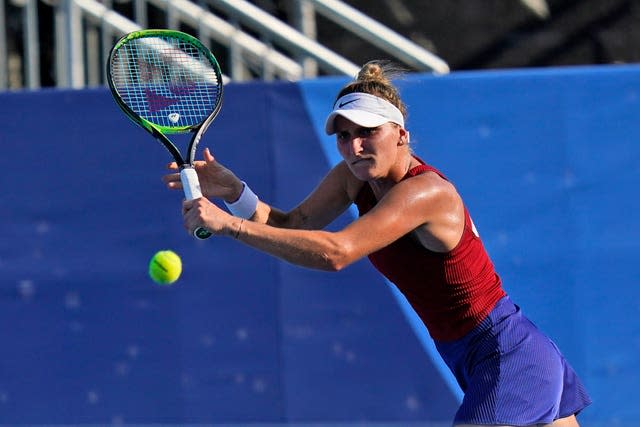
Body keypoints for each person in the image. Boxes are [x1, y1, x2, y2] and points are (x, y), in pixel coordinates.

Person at [163, 60, 591, 427]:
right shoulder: (353, 177)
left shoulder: (427, 193)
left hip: (507, 353)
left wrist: (228, 226)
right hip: (474, 355)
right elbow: (290, 223)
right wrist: (236, 192)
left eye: (367, 132)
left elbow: (337, 252)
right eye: (344, 135)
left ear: (400, 134)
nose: (353, 146)